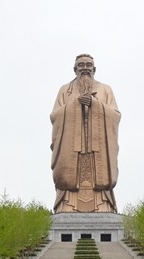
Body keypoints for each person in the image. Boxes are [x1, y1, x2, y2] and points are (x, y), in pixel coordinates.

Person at [51, 54, 120, 213]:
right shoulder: (65, 90)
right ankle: (67, 205)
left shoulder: (105, 89)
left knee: (99, 176)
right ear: (75, 69)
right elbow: (55, 116)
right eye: (81, 65)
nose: (85, 68)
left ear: (94, 69)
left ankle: (103, 205)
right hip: (72, 146)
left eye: (89, 65)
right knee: (70, 175)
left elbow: (115, 115)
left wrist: (95, 104)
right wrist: (75, 104)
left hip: (98, 148)